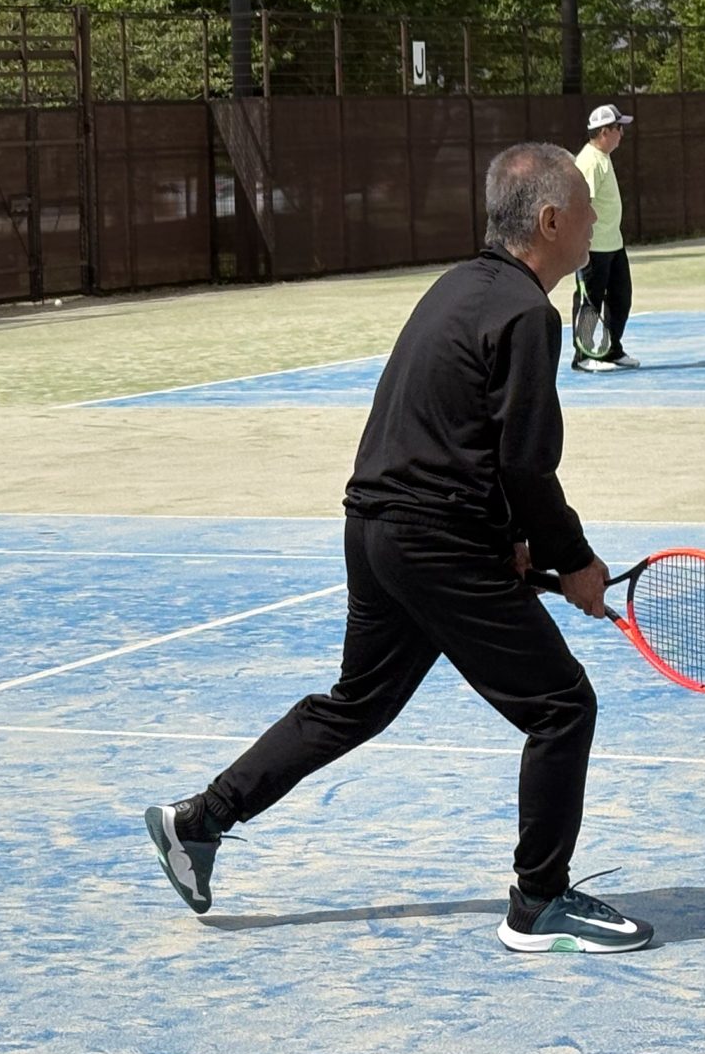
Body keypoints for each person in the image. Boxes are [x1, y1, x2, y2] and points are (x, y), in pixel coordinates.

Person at [141, 143, 651, 955]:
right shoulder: (529, 315)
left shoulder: (456, 286)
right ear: (552, 220)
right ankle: (538, 902)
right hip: (432, 539)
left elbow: (460, 435)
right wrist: (576, 562)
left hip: (377, 529)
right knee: (561, 707)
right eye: (586, 211)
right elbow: (525, 464)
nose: (596, 222)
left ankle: (200, 820)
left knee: (358, 704)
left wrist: (513, 542)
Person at [571, 102, 638, 371]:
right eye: (618, 128)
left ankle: (610, 350)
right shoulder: (589, 161)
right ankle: (583, 356)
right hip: (593, 247)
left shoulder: (603, 157)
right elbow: (579, 204)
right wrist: (580, 245)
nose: (622, 133)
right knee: (590, 302)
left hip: (613, 244)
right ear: (604, 132)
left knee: (621, 297)